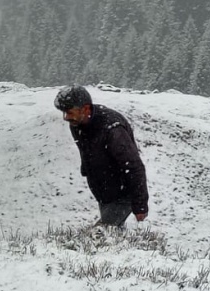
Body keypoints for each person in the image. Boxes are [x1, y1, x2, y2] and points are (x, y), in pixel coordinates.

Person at [54, 85, 148, 228]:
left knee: (98, 235)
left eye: (69, 112)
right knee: (113, 235)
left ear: (85, 109)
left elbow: (134, 166)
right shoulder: (77, 124)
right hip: (104, 192)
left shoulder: (112, 129)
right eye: (64, 113)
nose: (66, 117)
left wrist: (140, 204)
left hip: (123, 194)